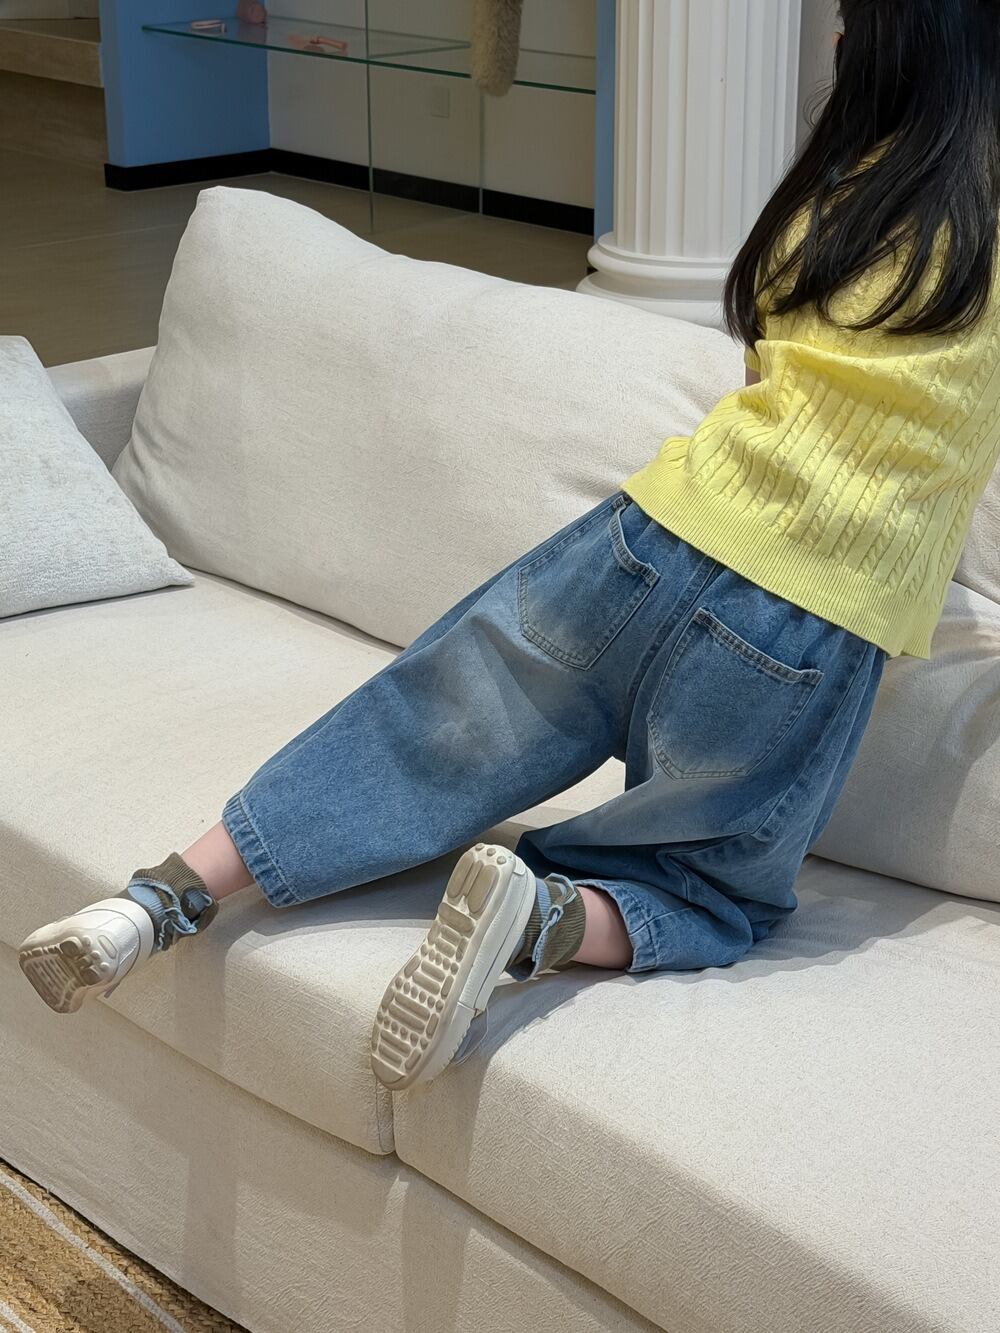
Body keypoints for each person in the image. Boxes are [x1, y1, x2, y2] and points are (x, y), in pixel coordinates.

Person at [19, 0, 1000, 1090]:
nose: (833, 39)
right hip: (804, 622)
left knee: (416, 729)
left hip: (648, 535)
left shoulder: (834, 199)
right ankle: (538, 916)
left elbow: (763, 374)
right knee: (708, 888)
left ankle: (155, 899)